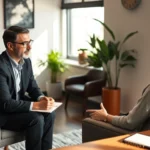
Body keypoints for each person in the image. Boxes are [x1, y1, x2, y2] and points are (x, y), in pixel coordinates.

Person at [0, 26, 55, 150]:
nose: (29, 47)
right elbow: (5, 104)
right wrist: (36, 106)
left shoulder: (27, 62)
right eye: (24, 43)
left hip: (18, 107)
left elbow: (32, 86)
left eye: (29, 42)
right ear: (10, 46)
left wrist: (42, 98)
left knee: (50, 113)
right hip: (3, 113)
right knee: (36, 119)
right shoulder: (1, 66)